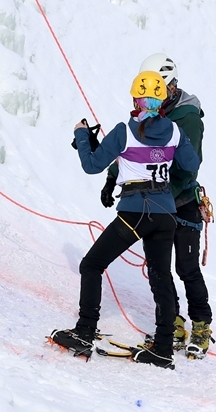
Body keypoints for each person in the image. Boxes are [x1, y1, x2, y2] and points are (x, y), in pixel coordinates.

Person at [50, 71, 201, 369]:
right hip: (166, 214)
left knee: (92, 265)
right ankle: (162, 348)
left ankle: (84, 331)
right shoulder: (174, 131)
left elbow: (92, 165)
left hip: (135, 212)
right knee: (162, 279)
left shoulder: (124, 131)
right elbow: (191, 164)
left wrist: (82, 135)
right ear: (162, 101)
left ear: (136, 99)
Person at [100, 54, 214, 359]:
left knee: (185, 268)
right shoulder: (149, 116)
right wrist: (113, 178)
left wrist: (157, 192)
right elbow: (134, 150)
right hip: (159, 203)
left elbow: (190, 167)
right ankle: (173, 323)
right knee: (159, 269)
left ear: (171, 87)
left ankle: (201, 326)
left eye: (157, 92)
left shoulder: (186, 117)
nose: (151, 98)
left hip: (182, 202)